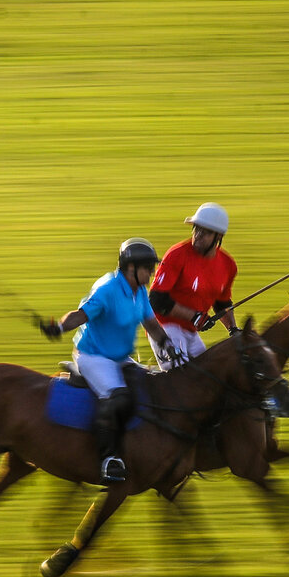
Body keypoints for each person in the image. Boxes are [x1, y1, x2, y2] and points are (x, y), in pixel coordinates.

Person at [38, 238, 178, 483]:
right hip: (94, 357)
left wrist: (167, 344)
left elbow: (151, 324)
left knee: (152, 384)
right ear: (130, 267)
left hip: (120, 357)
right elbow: (80, 315)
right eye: (147, 267)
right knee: (118, 398)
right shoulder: (107, 289)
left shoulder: (139, 292)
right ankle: (108, 459)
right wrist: (59, 327)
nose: (151, 272)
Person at [147, 202, 239, 368]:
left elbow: (222, 303)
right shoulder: (177, 254)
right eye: (196, 229)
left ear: (218, 236)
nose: (198, 235)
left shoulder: (228, 265)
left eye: (206, 232)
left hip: (191, 332)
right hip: (165, 328)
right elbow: (157, 300)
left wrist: (233, 329)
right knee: (182, 377)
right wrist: (195, 316)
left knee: (209, 376)